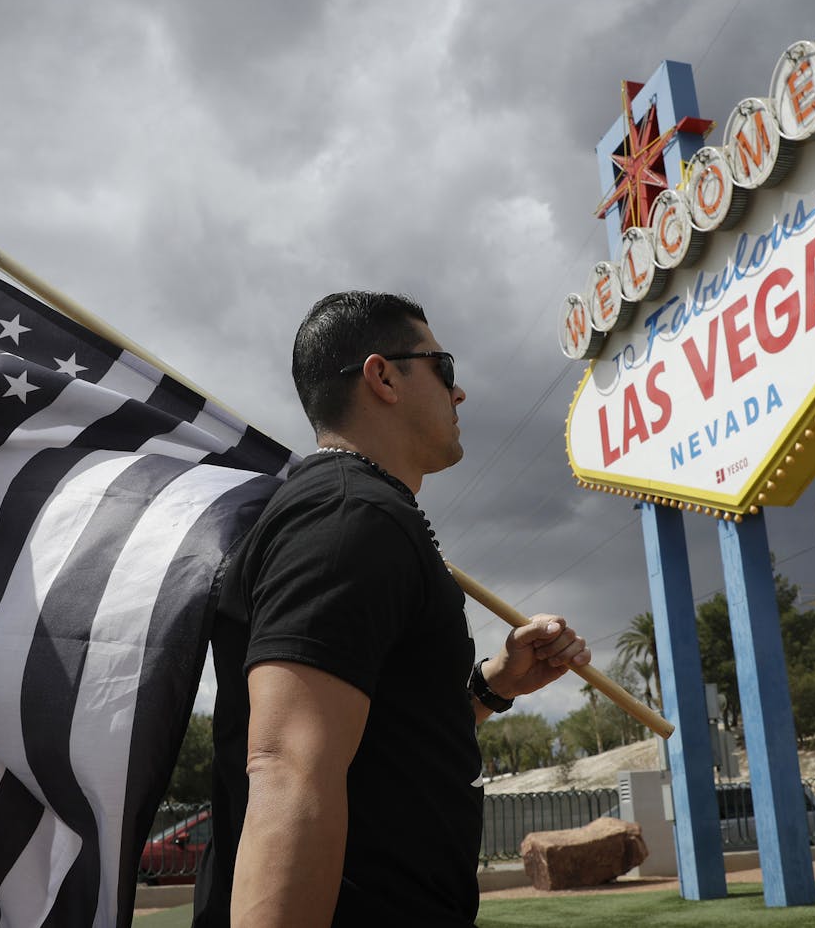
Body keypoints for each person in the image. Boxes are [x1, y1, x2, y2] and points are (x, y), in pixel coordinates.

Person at [192, 291, 590, 927]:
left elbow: (382, 741)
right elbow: (289, 768)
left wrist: (497, 686)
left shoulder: (362, 514)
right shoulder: (348, 517)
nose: (459, 394)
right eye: (445, 368)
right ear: (382, 377)